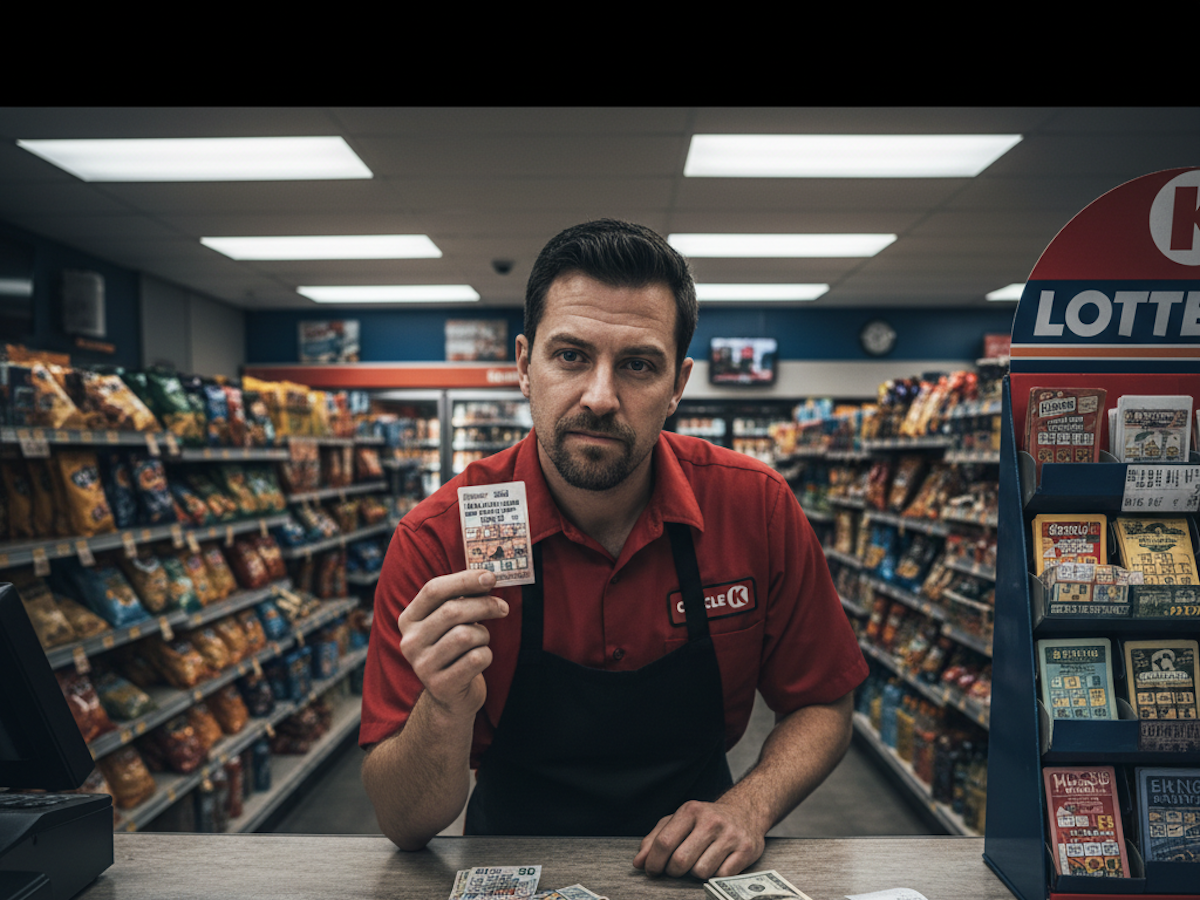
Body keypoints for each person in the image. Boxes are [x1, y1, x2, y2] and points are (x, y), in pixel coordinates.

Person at [359, 219, 869, 879]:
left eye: (637, 364)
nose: (600, 398)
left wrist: (752, 802)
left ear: (678, 384)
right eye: (570, 355)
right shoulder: (439, 540)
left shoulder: (756, 508)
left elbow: (823, 700)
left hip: (697, 866)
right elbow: (404, 824)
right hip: (509, 862)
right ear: (523, 365)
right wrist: (446, 707)